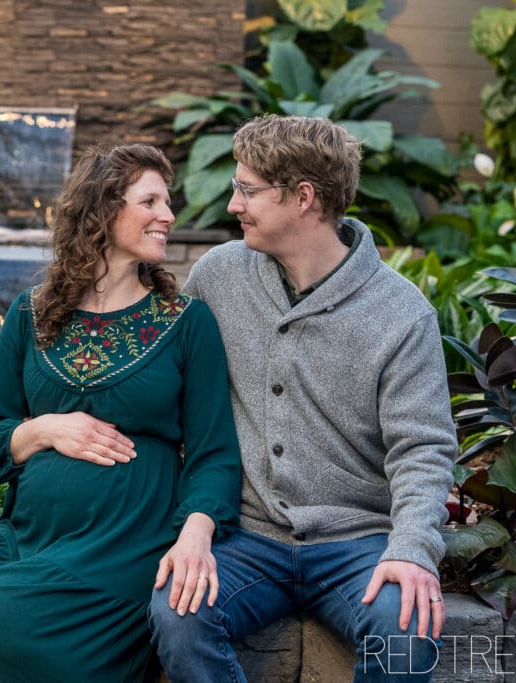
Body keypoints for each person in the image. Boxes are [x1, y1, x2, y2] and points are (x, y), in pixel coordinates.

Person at [0, 143, 242, 682]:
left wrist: (195, 535)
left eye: (167, 202)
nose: (168, 216)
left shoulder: (187, 322)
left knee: (9, 631)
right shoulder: (32, 313)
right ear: (102, 209)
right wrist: (44, 428)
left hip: (124, 546)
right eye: (150, 202)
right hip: (25, 537)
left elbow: (215, 456)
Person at [148, 114, 458, 682]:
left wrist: (412, 548)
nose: (233, 204)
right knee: (178, 614)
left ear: (303, 197)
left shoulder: (401, 313)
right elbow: (164, 374)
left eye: (247, 190)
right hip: (247, 537)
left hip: (358, 541)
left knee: (407, 632)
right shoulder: (219, 276)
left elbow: (423, 448)